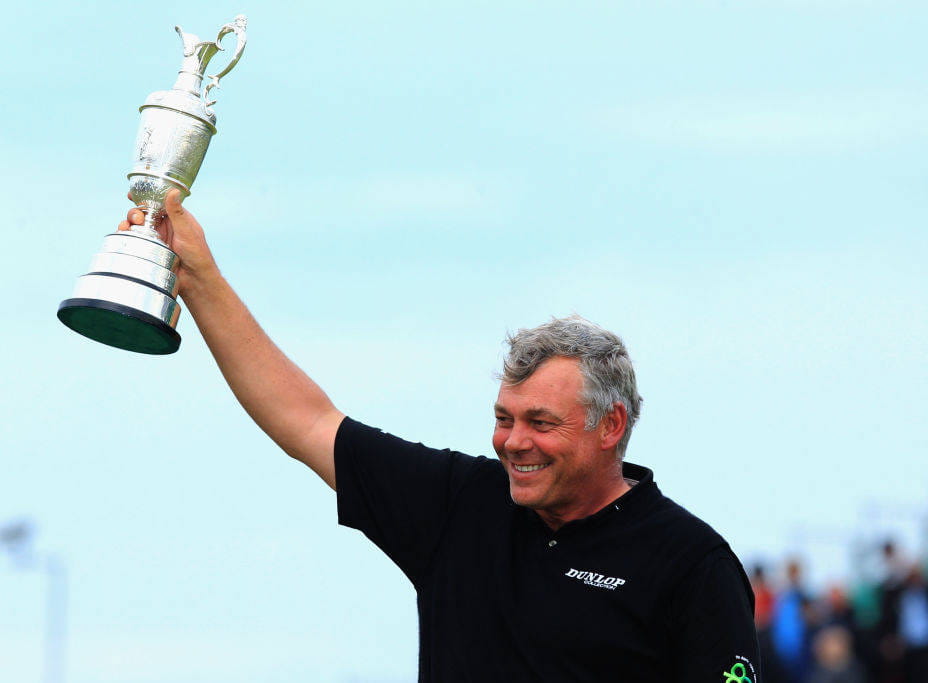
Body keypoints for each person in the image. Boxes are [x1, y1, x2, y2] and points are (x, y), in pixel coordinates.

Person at [118, 192, 760, 681]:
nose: (512, 442)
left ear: (610, 426)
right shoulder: (462, 503)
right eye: (504, 418)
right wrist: (199, 279)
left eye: (541, 423)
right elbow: (307, 420)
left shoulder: (691, 565)